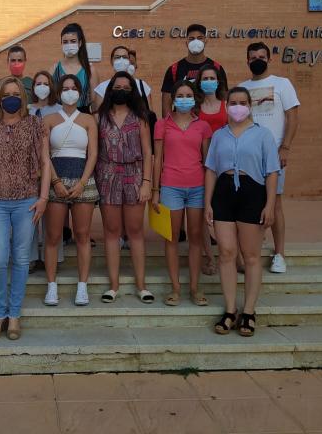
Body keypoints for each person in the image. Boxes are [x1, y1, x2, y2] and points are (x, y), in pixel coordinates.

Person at [0, 77, 50, 340]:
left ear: (23, 97)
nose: (12, 98)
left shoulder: (35, 124)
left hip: (27, 201)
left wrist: (43, 198)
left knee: (20, 259)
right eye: (7, 94)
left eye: (17, 94)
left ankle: (15, 315)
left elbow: (45, 161)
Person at [204, 87, 280, 337]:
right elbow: (211, 169)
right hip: (224, 193)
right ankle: (230, 310)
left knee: (251, 256)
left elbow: (272, 172)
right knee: (226, 252)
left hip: (252, 192)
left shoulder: (263, 135)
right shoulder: (219, 135)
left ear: (250, 105)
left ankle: (249, 311)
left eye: (243, 102)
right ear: (226, 105)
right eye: (233, 102)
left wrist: (269, 204)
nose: (238, 107)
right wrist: (208, 203)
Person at [238, 42, 300, 274]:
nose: (257, 60)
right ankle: (250, 249)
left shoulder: (282, 84)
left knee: (275, 203)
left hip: (273, 154)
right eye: (253, 57)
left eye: (262, 57)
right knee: (249, 202)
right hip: (248, 156)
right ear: (247, 60)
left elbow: (293, 118)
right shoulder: (242, 88)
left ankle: (279, 254)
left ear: (269, 59)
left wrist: (285, 147)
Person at [151, 80, 212, 306]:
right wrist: (155, 190)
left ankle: (195, 288)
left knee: (195, 237)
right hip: (170, 186)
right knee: (172, 238)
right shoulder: (162, 124)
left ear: (194, 99)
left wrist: (209, 194)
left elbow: (207, 162)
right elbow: (158, 159)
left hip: (197, 187)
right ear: (173, 99)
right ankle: (175, 288)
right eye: (180, 95)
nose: (184, 99)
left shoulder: (203, 126)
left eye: (188, 95)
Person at [95, 72, 154, 304]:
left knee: (135, 230)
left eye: (126, 88)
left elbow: (148, 152)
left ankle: (141, 285)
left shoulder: (141, 118)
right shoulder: (99, 117)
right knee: (111, 231)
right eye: (117, 87)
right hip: (107, 176)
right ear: (110, 89)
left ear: (133, 92)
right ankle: (113, 285)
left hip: (134, 176)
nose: (121, 91)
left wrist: (147, 182)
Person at [42, 75, 99, 306]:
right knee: (53, 236)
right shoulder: (48, 119)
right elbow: (44, 154)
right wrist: (55, 181)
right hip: (55, 180)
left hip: (82, 181)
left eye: (73, 88)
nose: (69, 92)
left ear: (80, 92)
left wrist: (82, 182)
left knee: (83, 235)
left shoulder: (88, 119)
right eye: (65, 88)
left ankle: (82, 286)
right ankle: (51, 286)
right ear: (58, 92)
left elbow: (93, 154)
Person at [27, 71, 62, 271]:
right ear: (33, 87)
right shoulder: (27, 110)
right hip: (30, 168)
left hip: (54, 164)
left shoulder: (59, 110)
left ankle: (54, 256)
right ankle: (31, 257)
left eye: (46, 83)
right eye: (38, 83)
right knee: (31, 212)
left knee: (53, 214)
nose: (42, 87)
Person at [197, 64, 228, 275]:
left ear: (218, 82)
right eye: (205, 78)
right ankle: (209, 257)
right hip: (201, 164)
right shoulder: (194, 107)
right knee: (203, 213)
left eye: (212, 78)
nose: (209, 81)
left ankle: (234, 257)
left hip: (225, 165)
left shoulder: (227, 105)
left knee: (226, 212)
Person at [160, 24, 228, 118]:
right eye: (191, 39)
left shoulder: (217, 68)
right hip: (183, 122)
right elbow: (166, 105)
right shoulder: (174, 69)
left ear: (205, 41)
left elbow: (224, 100)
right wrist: (169, 125)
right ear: (186, 42)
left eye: (200, 38)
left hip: (211, 122)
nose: (196, 42)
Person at [51, 23, 99, 114]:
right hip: (59, 115)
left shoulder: (90, 70)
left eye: (73, 41)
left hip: (83, 115)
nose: (69, 45)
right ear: (61, 44)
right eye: (65, 42)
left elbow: (95, 102)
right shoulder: (54, 69)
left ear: (80, 43)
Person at [93, 45, 153, 112]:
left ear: (129, 61)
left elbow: (150, 112)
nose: (121, 60)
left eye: (125, 57)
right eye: (117, 57)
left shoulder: (142, 85)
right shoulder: (101, 88)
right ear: (111, 62)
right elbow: (98, 114)